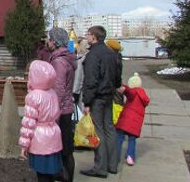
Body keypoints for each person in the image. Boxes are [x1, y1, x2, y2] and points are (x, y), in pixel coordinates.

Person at [80, 25, 119, 178]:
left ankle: (100, 167)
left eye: (88, 34)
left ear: (94, 37)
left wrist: (87, 102)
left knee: (98, 131)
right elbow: (117, 77)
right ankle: (112, 165)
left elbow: (91, 80)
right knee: (109, 128)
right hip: (109, 95)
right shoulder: (111, 53)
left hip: (97, 98)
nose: (87, 37)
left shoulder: (93, 55)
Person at [19, 60, 63, 182]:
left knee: (42, 174)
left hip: (40, 139)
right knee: (50, 173)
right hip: (54, 135)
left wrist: (24, 146)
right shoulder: (52, 93)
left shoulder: (33, 97)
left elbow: (28, 124)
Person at [47, 27, 77, 182]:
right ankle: (64, 175)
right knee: (66, 148)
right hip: (66, 108)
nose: (47, 41)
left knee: (64, 149)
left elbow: (58, 89)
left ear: (55, 42)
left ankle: (65, 177)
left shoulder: (59, 61)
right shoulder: (67, 57)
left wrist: (52, 112)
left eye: (49, 38)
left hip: (61, 110)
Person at [115, 72, 150, 166]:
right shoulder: (143, 95)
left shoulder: (133, 92)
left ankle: (116, 156)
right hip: (135, 124)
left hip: (125, 121)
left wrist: (124, 87)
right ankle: (130, 157)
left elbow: (129, 92)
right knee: (132, 139)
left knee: (119, 138)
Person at [105, 39, 124, 105]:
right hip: (116, 85)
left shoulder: (113, 59)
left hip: (113, 86)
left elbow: (116, 74)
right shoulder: (117, 57)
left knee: (116, 105)